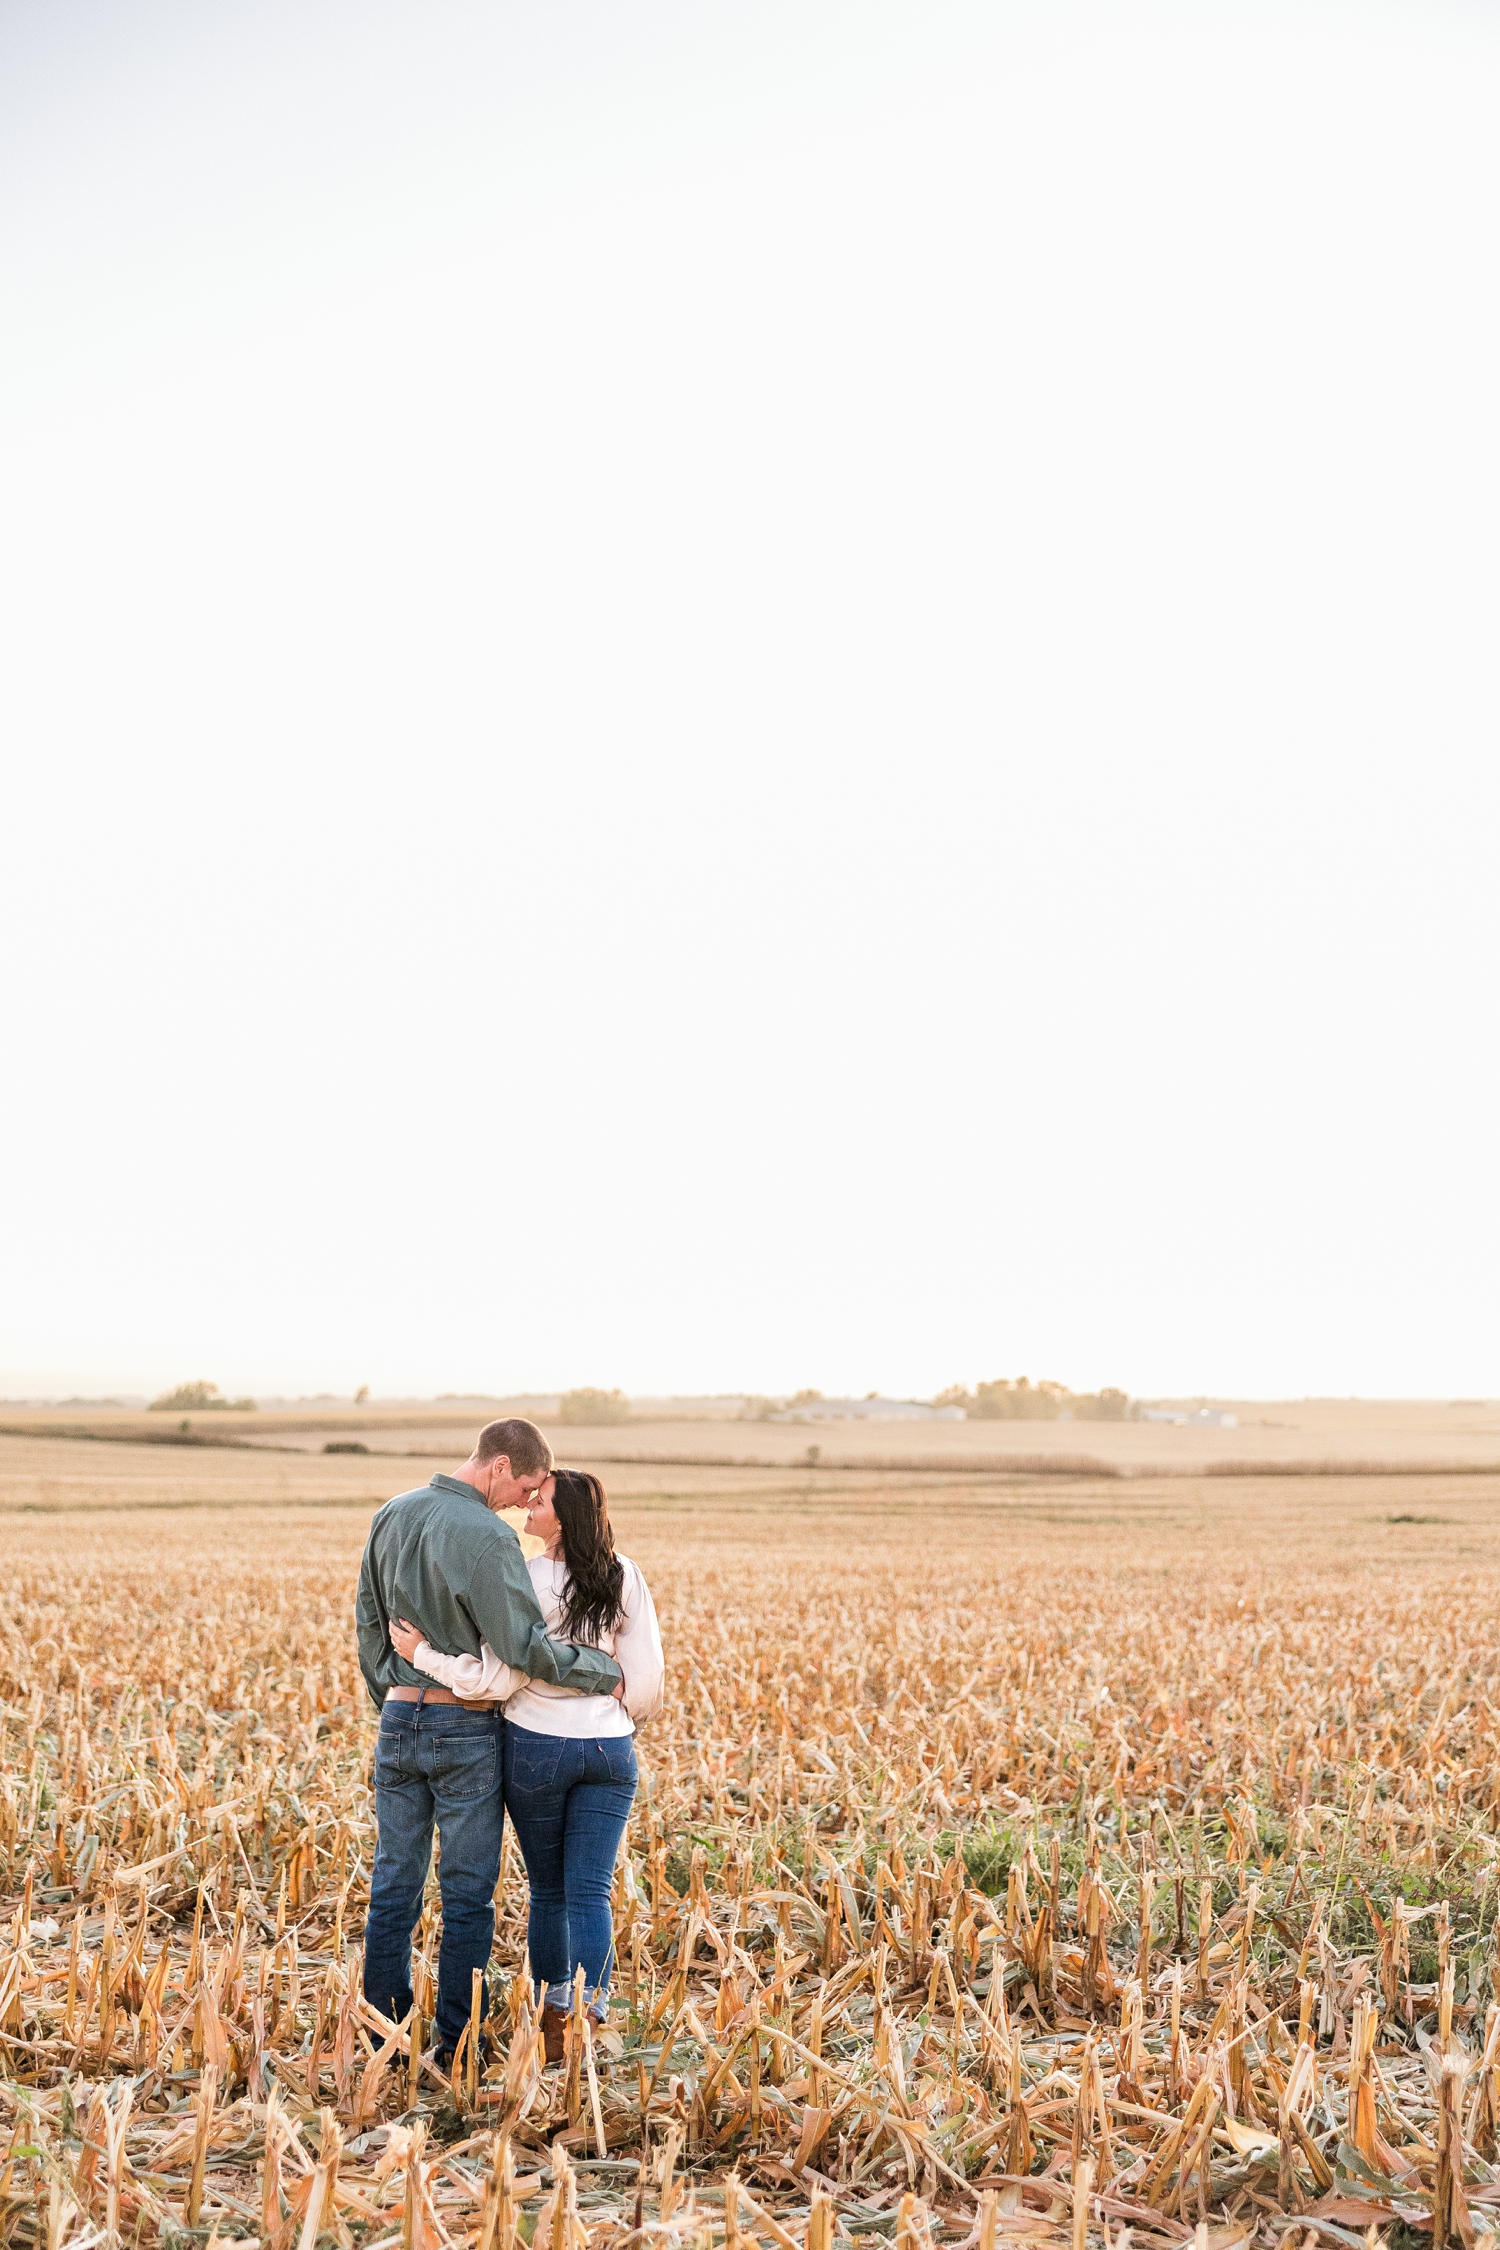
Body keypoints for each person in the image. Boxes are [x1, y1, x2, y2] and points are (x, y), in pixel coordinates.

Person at [356, 1418, 624, 2068]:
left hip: (397, 1720)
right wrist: (604, 1671)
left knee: (394, 1884)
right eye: (526, 1486)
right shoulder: (488, 1537)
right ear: (500, 1466)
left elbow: (368, 1624)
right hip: (463, 1725)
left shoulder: (391, 1513)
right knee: (469, 1892)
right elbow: (523, 1650)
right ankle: (460, 2047)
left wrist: (393, 1703)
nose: (523, 1502)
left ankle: (381, 2042)